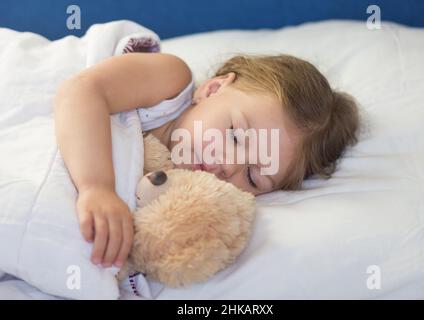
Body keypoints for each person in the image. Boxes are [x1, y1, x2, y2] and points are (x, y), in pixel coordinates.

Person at [54, 52, 360, 269]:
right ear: (213, 89)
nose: (229, 166)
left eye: (253, 177)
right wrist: (97, 187)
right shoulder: (169, 83)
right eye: (236, 135)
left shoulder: (184, 201)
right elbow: (81, 89)